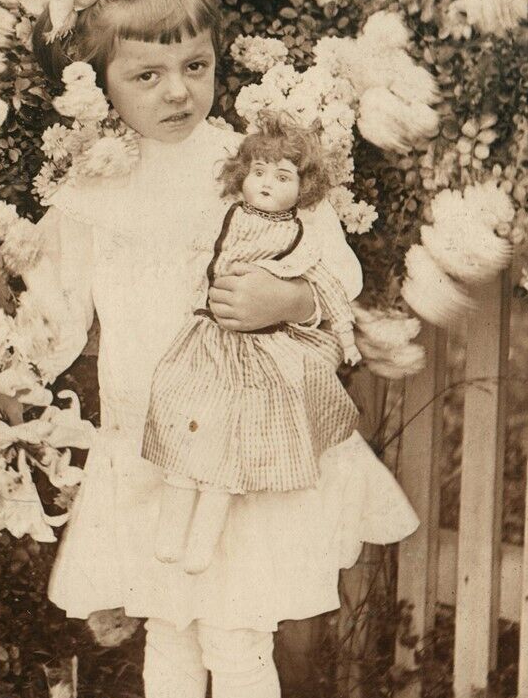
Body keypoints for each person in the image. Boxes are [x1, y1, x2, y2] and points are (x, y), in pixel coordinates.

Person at [10, 0, 418, 698]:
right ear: (99, 81)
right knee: (168, 627)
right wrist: (15, 348)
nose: (176, 90)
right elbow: (55, 319)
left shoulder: (247, 170)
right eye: (145, 73)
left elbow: (332, 280)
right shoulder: (90, 192)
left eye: (195, 65)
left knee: (238, 630)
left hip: (243, 449)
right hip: (149, 451)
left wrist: (290, 294)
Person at [142, 123, 364, 575]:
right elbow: (191, 256)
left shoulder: (299, 237)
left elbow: (330, 287)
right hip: (207, 337)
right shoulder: (225, 215)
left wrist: (345, 337)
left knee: (231, 440)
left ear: (304, 189)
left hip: (258, 350)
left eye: (283, 177)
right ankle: (171, 527)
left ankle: (202, 541)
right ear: (242, 173)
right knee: (185, 413)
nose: (266, 183)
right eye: (259, 171)